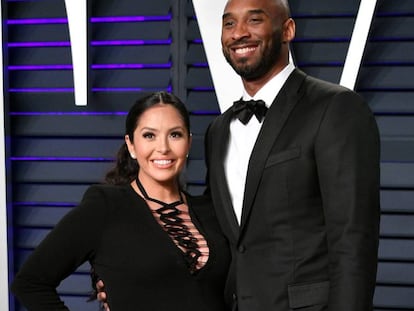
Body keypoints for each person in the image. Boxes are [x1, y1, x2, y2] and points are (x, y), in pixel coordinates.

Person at [98, 0, 381, 310]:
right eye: (229, 23)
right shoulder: (220, 130)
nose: (238, 33)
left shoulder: (334, 108)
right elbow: (213, 236)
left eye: (254, 20)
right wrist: (126, 277)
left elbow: (353, 240)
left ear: (287, 30)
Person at [11, 91, 231, 311]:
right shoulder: (106, 208)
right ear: (131, 145)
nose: (163, 147)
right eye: (149, 135)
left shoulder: (212, 210)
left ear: (189, 142)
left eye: (175, 134)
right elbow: (30, 283)